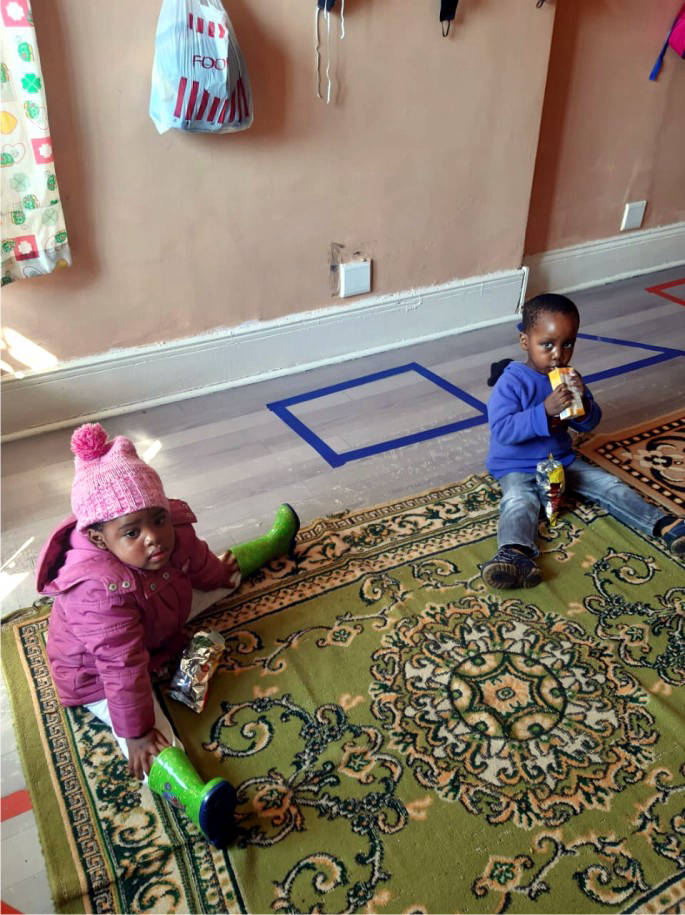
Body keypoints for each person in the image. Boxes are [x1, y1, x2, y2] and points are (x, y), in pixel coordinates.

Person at [36, 422, 299, 843]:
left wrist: (218, 575)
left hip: (157, 618)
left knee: (225, 572)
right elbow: (121, 667)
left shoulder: (172, 532)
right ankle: (198, 802)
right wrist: (136, 732)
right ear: (99, 539)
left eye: (158, 520)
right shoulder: (95, 591)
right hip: (96, 674)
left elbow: (199, 562)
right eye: (133, 532)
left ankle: (273, 543)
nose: (155, 539)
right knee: (150, 742)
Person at [481, 293, 685, 590]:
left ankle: (663, 524)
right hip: (517, 465)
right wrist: (544, 411)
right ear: (525, 341)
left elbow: (589, 423)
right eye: (547, 344)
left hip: (561, 460)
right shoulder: (511, 383)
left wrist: (583, 403)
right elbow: (502, 429)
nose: (558, 355)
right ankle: (514, 553)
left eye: (567, 344)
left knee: (609, 484)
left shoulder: (569, 377)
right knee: (519, 501)